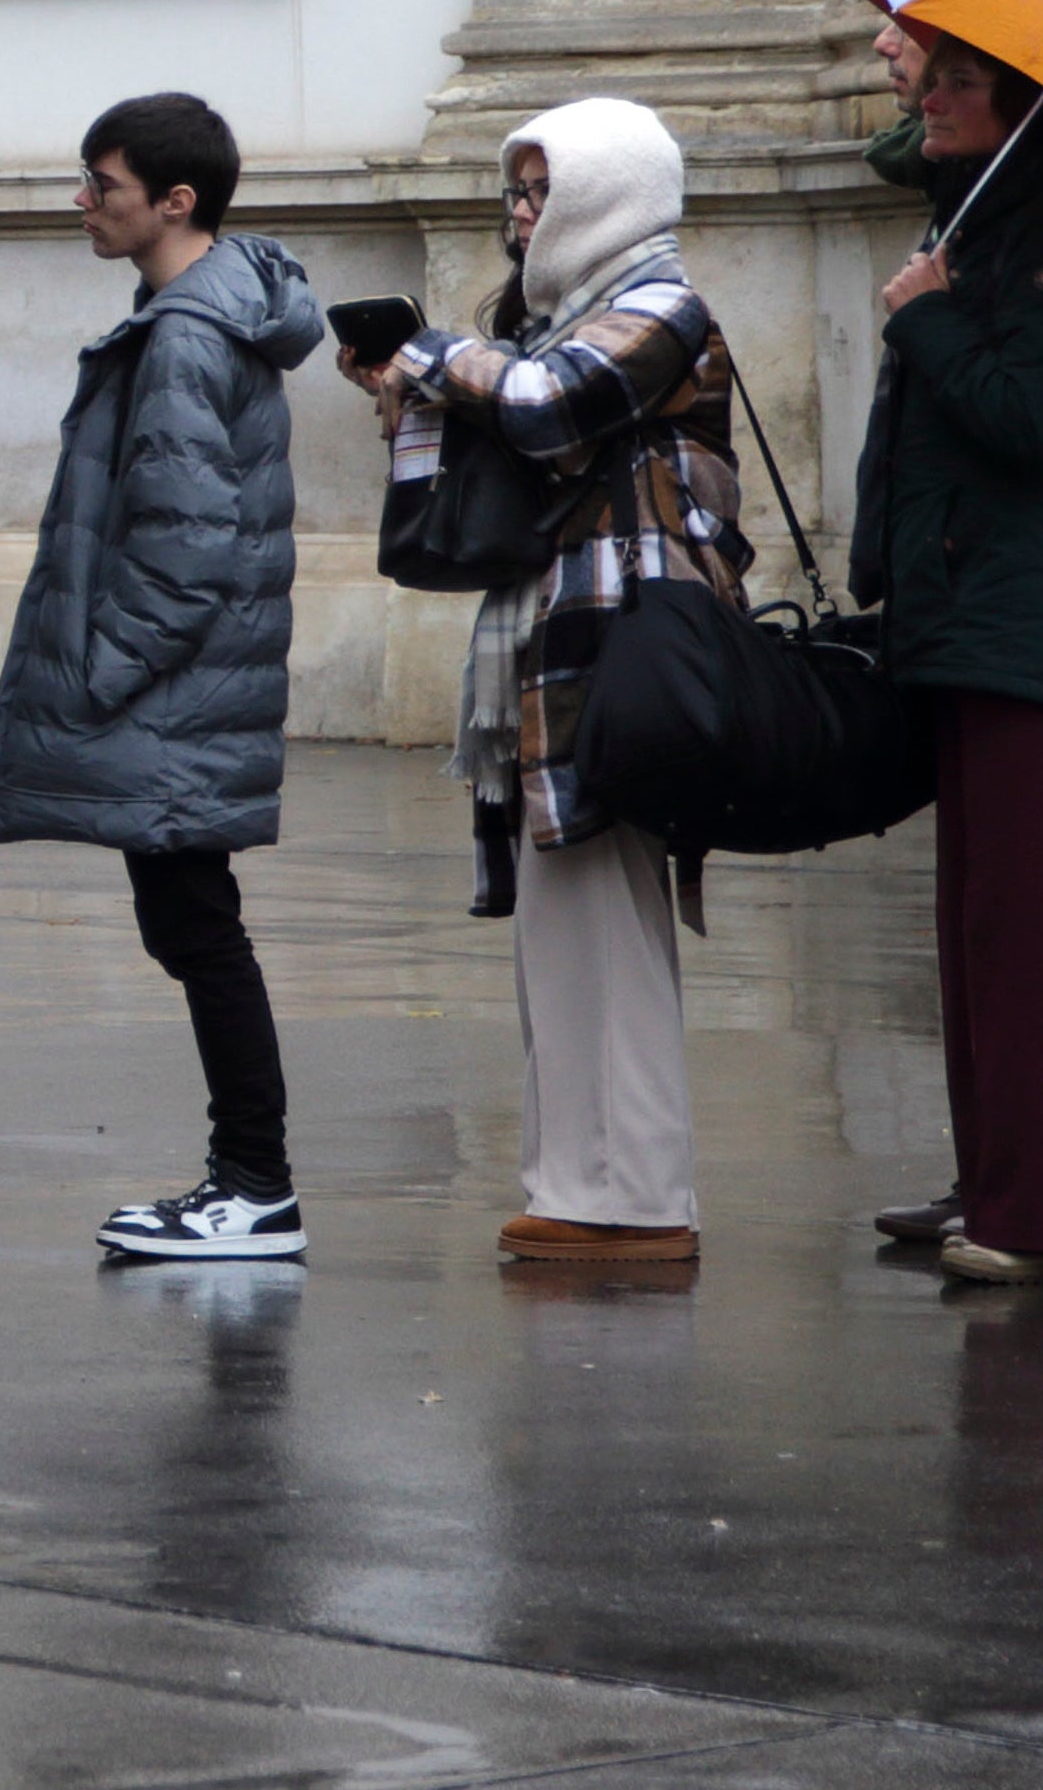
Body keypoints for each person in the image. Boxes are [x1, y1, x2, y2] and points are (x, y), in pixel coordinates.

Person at [346, 94, 743, 1270]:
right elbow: (447, 531)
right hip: (555, 647)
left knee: (609, 920)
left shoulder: (660, 303)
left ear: (606, 195)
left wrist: (429, 355)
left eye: (541, 191)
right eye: (515, 193)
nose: (522, 218)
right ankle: (576, 1181)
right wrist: (411, 412)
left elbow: (542, 406)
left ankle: (635, 1197)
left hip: (626, 646)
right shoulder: (549, 325)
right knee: (560, 935)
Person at [0, 92, 325, 1264]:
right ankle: (247, 1180)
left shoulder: (181, 333)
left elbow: (186, 537)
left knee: (198, 931)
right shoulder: (203, 312)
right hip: (193, 688)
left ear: (176, 201)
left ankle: (256, 1187)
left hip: (172, 693)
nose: (83, 200)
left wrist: (100, 670)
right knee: (194, 928)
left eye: (103, 184)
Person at [853, 17, 1043, 1287]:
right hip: (981, 615)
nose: (927, 95)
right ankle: (1016, 1189)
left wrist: (928, 320)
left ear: (1028, 104)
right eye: (930, 73)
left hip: (1041, 623)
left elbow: (1032, 417)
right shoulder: (985, 213)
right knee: (995, 932)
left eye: (959, 79)